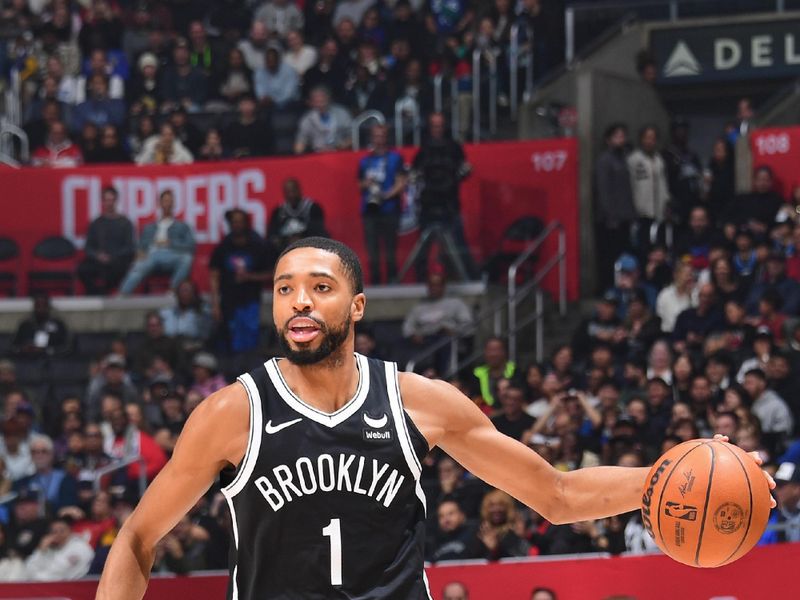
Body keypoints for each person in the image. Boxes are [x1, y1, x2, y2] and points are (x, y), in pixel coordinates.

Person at [95, 238, 774, 599]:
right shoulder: (231, 413)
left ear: (357, 307)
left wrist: (666, 476)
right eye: (284, 289)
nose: (299, 301)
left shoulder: (420, 402)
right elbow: (137, 540)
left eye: (320, 288)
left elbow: (556, 496)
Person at [411, 112, 476, 282]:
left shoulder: (454, 147)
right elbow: (415, 172)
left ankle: (468, 278)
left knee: (458, 244)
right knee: (423, 248)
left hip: (449, 204)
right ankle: (420, 280)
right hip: (429, 204)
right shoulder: (424, 148)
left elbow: (463, 169)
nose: (437, 129)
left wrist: (463, 172)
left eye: (440, 125)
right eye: (434, 125)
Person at [209, 209, 272, 354]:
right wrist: (215, 305)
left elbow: (271, 274)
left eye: (239, 221)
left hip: (250, 302)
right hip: (228, 302)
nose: (236, 225)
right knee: (229, 343)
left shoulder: (257, 246)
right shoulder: (223, 247)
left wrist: (249, 277)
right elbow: (214, 276)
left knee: (250, 343)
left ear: (245, 223)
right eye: (233, 222)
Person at [118, 190, 196, 295]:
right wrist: (139, 253)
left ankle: (172, 291)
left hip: (172, 255)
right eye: (165, 201)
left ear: (173, 204)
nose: (167, 204)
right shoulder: (149, 227)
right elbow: (140, 246)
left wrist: (170, 243)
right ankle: (123, 294)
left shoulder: (182, 226)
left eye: (170, 201)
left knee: (187, 258)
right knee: (139, 264)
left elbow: (191, 246)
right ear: (159, 204)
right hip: (151, 255)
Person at [358, 123, 407, 284]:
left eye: (382, 136)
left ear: (386, 137)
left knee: (390, 251)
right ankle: (376, 282)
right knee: (372, 252)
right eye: (376, 136)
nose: (379, 139)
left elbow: (401, 182)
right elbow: (359, 184)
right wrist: (367, 184)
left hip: (389, 209)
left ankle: (393, 282)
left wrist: (386, 195)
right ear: (372, 138)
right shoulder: (365, 161)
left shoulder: (395, 158)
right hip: (370, 211)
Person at [402, 271, 473, 372]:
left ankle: (445, 376)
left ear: (443, 286)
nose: (434, 288)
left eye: (437, 285)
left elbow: (468, 325)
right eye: (431, 285)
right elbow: (407, 327)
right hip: (425, 341)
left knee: (445, 343)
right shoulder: (419, 308)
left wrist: (454, 331)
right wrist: (414, 335)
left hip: (448, 340)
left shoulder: (455, 303)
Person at [595, 123, 636, 293]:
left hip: (625, 217)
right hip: (610, 220)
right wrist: (610, 216)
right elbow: (603, 190)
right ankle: (607, 287)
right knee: (609, 256)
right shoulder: (605, 160)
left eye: (623, 136)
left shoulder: (625, 159)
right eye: (617, 136)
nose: (621, 139)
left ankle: (623, 286)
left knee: (624, 254)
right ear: (608, 139)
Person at [78, 186, 135, 294]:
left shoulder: (125, 222)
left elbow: (130, 247)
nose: (109, 203)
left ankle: (105, 293)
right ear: (102, 202)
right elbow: (88, 247)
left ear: (116, 201)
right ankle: (96, 293)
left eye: (112, 200)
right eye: (107, 200)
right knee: (82, 269)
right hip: (99, 260)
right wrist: (97, 255)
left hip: (118, 260)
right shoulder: (96, 223)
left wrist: (113, 256)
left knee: (119, 269)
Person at [267, 178, 328, 257]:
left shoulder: (313, 208)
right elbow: (272, 234)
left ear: (299, 190)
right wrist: (285, 240)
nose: (291, 195)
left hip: (309, 248)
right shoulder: (278, 211)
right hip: (285, 248)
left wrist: (301, 239)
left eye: (293, 191)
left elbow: (319, 232)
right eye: (288, 192)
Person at [23, 516, 94, 581]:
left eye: (62, 531)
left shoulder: (80, 548)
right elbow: (28, 570)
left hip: (73, 588)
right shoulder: (49, 549)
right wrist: (41, 551)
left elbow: (59, 574)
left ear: (70, 531)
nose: (57, 534)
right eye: (54, 532)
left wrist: (36, 578)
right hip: (46, 587)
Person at [294, 85, 352, 154]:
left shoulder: (342, 113)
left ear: (329, 99)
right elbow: (300, 143)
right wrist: (299, 151)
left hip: (340, 153)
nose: (320, 105)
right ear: (311, 103)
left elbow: (353, 136)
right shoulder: (307, 119)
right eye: (316, 102)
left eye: (322, 101)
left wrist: (340, 146)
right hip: (317, 155)